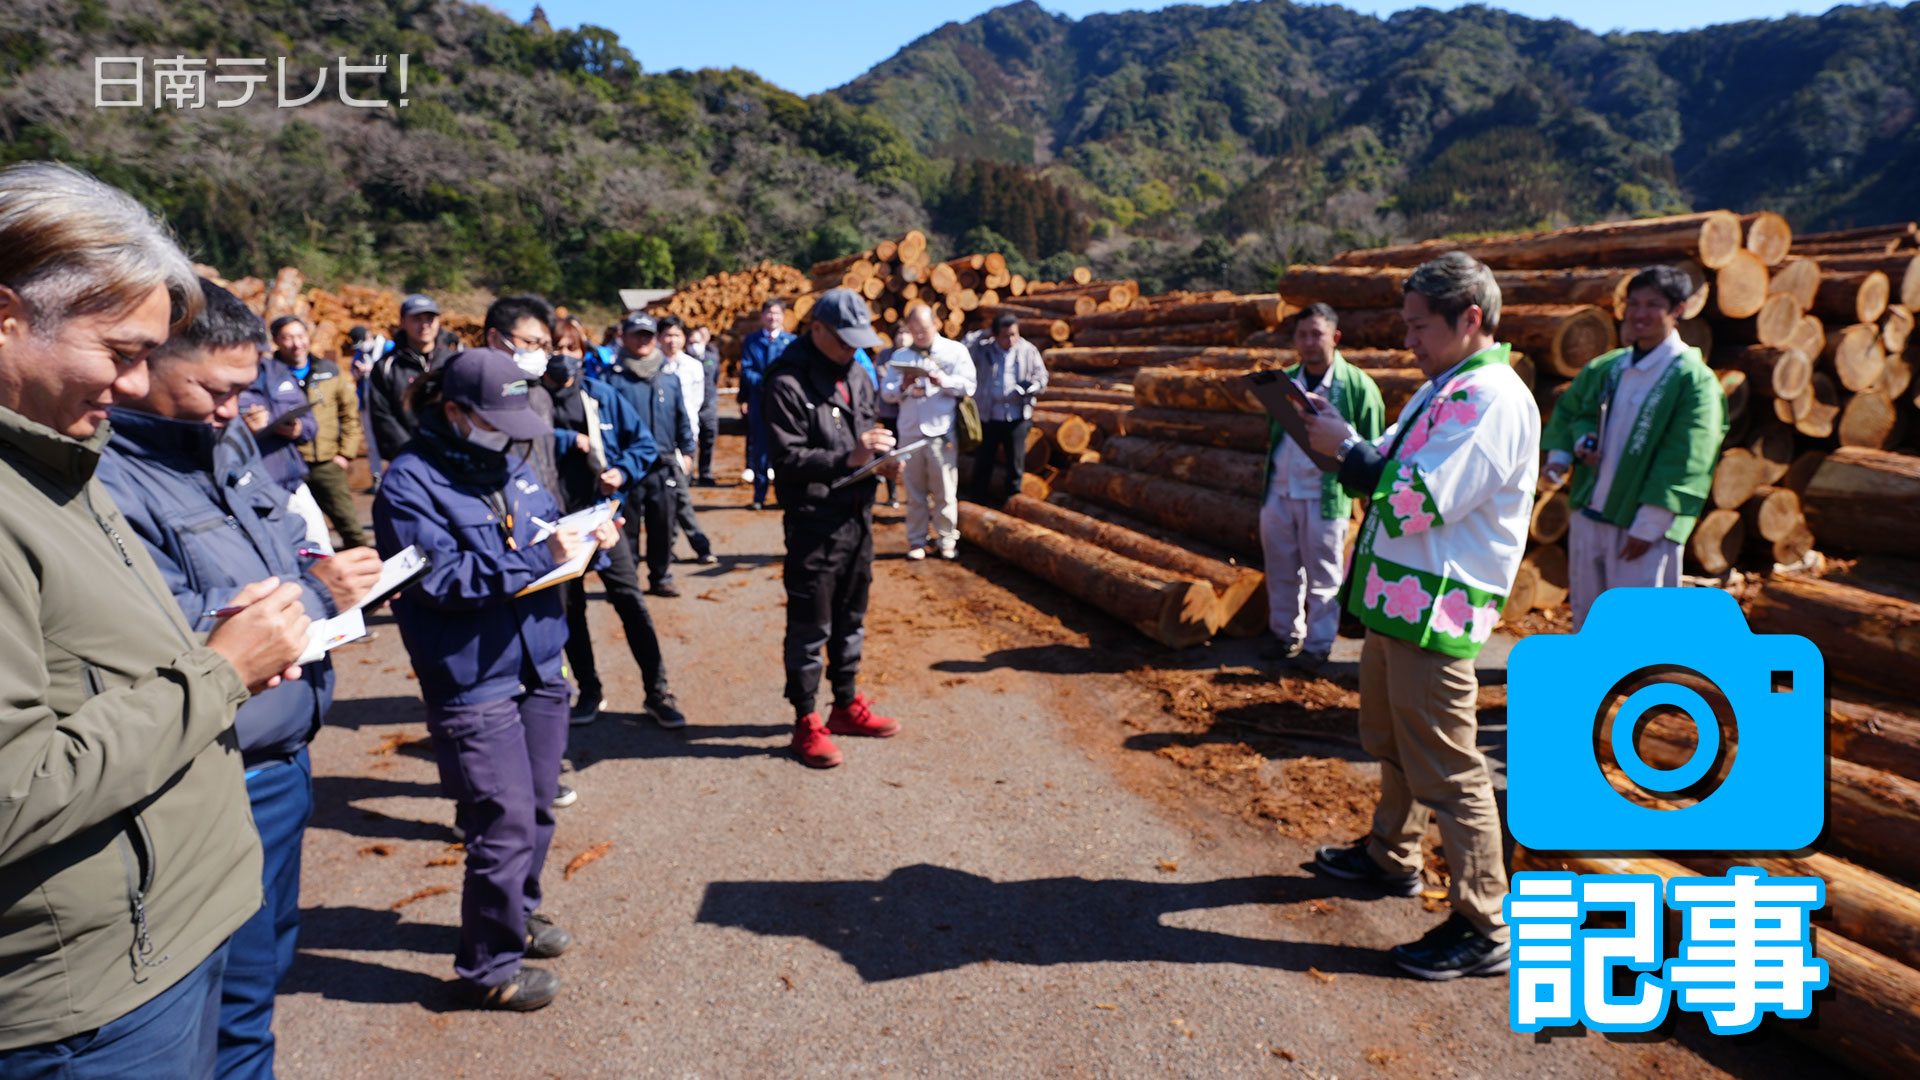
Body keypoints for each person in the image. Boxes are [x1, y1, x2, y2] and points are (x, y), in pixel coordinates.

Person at [0, 160, 310, 1077]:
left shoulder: (57, 453)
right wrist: (217, 672)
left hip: (172, 928)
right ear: (6, 316)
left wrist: (229, 643)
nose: (135, 389)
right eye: (120, 353)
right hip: (93, 995)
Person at [97, 279, 385, 1080]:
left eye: (243, 391)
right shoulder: (103, 477)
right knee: (202, 1015)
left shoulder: (223, 445)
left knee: (253, 996)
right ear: (148, 360)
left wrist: (313, 567)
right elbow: (148, 621)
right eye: (215, 391)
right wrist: (313, 597)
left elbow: (283, 535)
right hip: (207, 776)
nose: (233, 411)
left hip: (281, 764)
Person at [1300, 251, 1537, 981]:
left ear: (1471, 320)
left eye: (1420, 326)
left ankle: (1485, 920)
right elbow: (1392, 466)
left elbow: (1414, 498)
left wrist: (1346, 454)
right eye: (1406, 325)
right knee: (1393, 736)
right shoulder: (1448, 386)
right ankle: (1391, 852)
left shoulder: (1491, 397)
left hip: (1440, 602)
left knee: (1448, 763)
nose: (1410, 340)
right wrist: (1347, 442)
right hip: (1404, 595)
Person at [373, 348, 620, 1012]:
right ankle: (488, 967)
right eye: (496, 419)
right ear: (453, 412)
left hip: (539, 662)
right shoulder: (407, 485)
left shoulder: (510, 465)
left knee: (538, 806)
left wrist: (588, 538)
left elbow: (546, 535)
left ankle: (519, 911)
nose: (510, 433)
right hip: (473, 676)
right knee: (500, 823)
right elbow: (439, 579)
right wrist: (543, 555)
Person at [1543, 265, 1725, 630]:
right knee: (1589, 615)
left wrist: (1650, 523)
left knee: (1638, 624)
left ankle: (1639, 687)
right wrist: (1573, 447)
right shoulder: (1609, 367)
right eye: (1634, 303)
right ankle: (1595, 685)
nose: (1640, 313)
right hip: (1591, 510)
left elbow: (1689, 455)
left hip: (1641, 526)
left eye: (1653, 304)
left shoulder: (1693, 379)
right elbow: (1574, 409)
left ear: (1678, 309)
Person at [765, 288, 903, 769]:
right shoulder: (785, 380)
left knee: (851, 617)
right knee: (810, 625)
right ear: (817, 330)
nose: (853, 350)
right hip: (813, 522)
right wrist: (848, 456)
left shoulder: (858, 372)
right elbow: (786, 458)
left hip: (857, 516)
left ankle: (845, 703)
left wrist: (884, 461)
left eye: (858, 342)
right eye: (845, 341)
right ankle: (806, 719)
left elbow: (869, 431)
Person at [542, 339, 685, 730]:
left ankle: (657, 692)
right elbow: (512, 444)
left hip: (602, 520)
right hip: (554, 527)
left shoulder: (600, 393)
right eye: (553, 346)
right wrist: (567, 440)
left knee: (631, 600)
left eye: (570, 345)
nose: (562, 354)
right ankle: (589, 689)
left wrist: (621, 473)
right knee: (570, 610)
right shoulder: (529, 399)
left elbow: (642, 443)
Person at [1258, 303, 1385, 668]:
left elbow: (1373, 444)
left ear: (1335, 337)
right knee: (1281, 571)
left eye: (1317, 334)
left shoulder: (1359, 386)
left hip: (1325, 495)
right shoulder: (1284, 383)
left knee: (1324, 575)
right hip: (1280, 489)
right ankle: (1284, 635)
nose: (1309, 342)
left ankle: (1318, 646)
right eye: (1302, 335)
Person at [603, 313, 704, 596]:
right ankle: (628, 581)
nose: (643, 341)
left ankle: (660, 576)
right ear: (624, 337)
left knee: (663, 523)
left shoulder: (667, 376)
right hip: (628, 467)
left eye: (648, 335)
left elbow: (681, 416)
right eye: (637, 335)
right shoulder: (613, 379)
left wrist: (687, 451)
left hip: (663, 465)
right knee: (629, 526)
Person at [880, 304, 977, 560]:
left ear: (936, 325)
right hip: (910, 431)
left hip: (941, 432)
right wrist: (903, 385)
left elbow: (969, 385)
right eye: (913, 329)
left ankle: (946, 538)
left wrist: (943, 381)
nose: (919, 334)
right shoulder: (901, 356)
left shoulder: (955, 351)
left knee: (945, 489)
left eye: (923, 329)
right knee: (914, 491)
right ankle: (916, 540)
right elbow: (886, 393)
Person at [273, 315, 369, 548]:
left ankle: (369, 573)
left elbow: (349, 414)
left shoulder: (328, 370)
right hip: (288, 466)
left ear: (308, 337)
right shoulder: (268, 375)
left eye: (300, 336)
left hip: (328, 464)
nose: (296, 343)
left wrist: (345, 454)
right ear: (276, 340)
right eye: (288, 338)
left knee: (349, 526)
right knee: (297, 530)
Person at [241, 342, 330, 552]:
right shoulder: (225, 380)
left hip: (293, 484)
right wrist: (244, 431)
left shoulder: (280, 373)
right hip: (256, 492)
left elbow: (310, 425)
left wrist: (298, 429)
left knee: (321, 550)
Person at [968, 311, 1048, 505]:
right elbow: (964, 347)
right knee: (984, 462)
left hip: (1017, 417)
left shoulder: (1028, 350)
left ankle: (1012, 503)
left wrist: (1032, 387)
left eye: (1014, 334)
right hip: (989, 416)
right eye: (1006, 335)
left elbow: (1042, 377)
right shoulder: (983, 350)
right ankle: (977, 503)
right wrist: (983, 333)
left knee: (1015, 464)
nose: (1011, 339)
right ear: (995, 335)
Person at [657, 316, 717, 565]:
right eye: (667, 335)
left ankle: (669, 547)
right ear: (659, 338)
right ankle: (698, 545)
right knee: (677, 495)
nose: (672, 340)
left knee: (678, 493)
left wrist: (689, 441)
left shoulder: (693, 366)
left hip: (685, 438)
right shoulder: (652, 365)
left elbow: (696, 402)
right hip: (661, 438)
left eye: (677, 335)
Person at [365, 292, 452, 465]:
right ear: (402, 322)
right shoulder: (387, 367)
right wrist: (411, 455)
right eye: (417, 319)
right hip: (408, 459)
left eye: (430, 318)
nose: (424, 325)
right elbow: (382, 416)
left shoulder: (452, 361)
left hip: (451, 457)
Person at [739, 299, 794, 510]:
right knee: (760, 448)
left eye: (777, 313)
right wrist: (764, 383)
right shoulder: (751, 341)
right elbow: (746, 369)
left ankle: (784, 495)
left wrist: (780, 386)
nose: (773, 317)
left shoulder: (791, 342)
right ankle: (759, 496)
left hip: (785, 404)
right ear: (762, 316)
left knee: (785, 446)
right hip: (759, 401)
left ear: (783, 316)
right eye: (769, 313)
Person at [687, 324, 721, 485]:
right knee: (689, 441)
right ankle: (689, 473)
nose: (694, 345)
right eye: (691, 342)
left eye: (697, 342)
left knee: (708, 440)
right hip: (690, 408)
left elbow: (715, 379)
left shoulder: (711, 359)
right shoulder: (684, 361)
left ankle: (705, 473)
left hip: (708, 407)